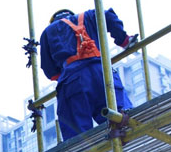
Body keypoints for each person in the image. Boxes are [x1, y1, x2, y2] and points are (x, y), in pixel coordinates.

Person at [40, 8, 137, 140]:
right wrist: (123, 40)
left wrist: (65, 74)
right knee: (123, 118)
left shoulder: (48, 31)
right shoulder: (89, 16)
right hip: (103, 72)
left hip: (73, 78)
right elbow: (108, 15)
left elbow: (50, 71)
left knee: (79, 138)